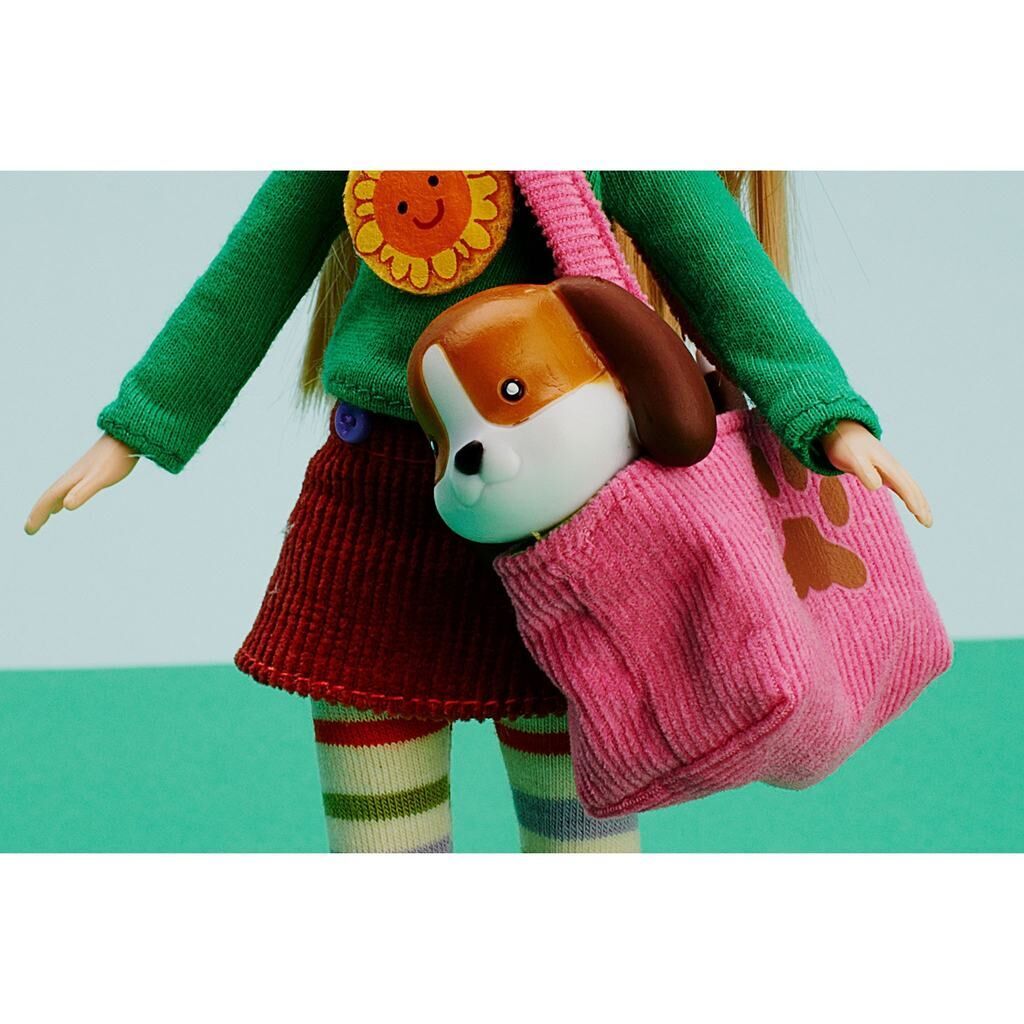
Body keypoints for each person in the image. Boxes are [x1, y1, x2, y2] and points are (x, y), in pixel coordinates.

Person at [25, 171, 932, 854]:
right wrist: (138, 428)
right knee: (380, 824)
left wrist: (825, 412)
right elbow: (250, 275)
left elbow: (723, 268)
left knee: (580, 826)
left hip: (569, 520)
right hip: (378, 506)